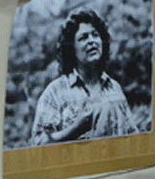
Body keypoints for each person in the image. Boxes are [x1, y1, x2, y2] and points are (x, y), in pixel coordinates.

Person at [31, 8, 135, 145]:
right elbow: (38, 145)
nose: (92, 41)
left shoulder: (114, 88)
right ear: (71, 49)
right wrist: (75, 129)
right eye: (83, 37)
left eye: (95, 35)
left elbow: (133, 137)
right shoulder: (55, 92)